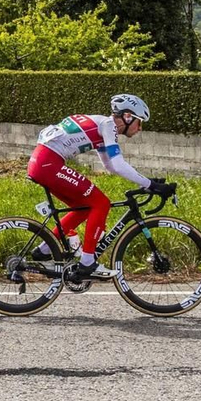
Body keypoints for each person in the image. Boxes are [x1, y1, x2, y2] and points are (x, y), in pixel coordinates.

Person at [27, 93, 170, 290]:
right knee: (101, 203)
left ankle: (44, 249)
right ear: (127, 117)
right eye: (139, 122)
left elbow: (110, 166)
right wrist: (150, 185)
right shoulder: (108, 125)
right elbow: (118, 165)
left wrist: (147, 181)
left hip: (43, 162)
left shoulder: (102, 127)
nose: (140, 128)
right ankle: (87, 263)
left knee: (85, 207)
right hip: (48, 164)